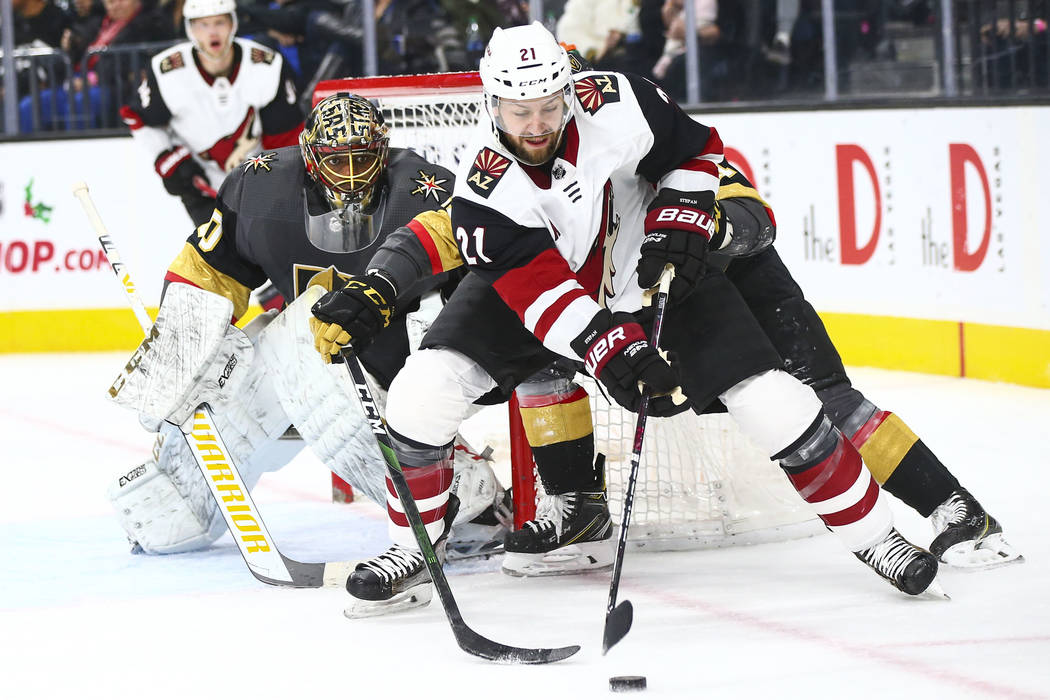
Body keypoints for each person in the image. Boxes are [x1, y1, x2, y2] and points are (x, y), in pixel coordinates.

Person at [309, 22, 943, 615]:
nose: (537, 126)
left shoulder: (620, 102)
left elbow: (699, 153)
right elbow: (544, 297)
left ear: (568, 92)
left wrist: (687, 215)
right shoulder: (486, 191)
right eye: (519, 112)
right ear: (492, 104)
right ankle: (412, 546)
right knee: (422, 392)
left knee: (772, 400)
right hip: (557, 287)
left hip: (659, 271)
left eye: (549, 108)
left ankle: (876, 536)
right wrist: (615, 351)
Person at [107, 93, 512, 588]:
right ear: (308, 153)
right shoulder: (261, 189)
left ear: (384, 152)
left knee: (309, 345)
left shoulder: (425, 193)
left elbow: (478, 296)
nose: (348, 175)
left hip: (396, 369)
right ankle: (179, 492)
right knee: (164, 516)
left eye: (361, 158)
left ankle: (462, 497)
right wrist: (176, 359)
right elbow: (208, 273)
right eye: (335, 160)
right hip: (298, 359)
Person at [119, 0, 303, 228]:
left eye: (219, 22)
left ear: (233, 24)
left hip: (258, 188)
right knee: (221, 259)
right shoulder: (166, 71)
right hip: (202, 189)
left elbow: (285, 136)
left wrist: (280, 186)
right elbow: (141, 120)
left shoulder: (267, 66)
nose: (212, 32)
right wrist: (169, 159)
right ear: (190, 29)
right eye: (203, 25)